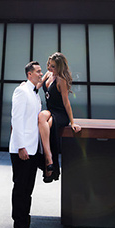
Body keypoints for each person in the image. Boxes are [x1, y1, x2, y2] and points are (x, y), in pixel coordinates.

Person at [9, 60, 46, 228]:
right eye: (38, 71)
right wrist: (21, 147)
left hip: (32, 150)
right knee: (21, 192)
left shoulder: (33, 92)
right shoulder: (21, 91)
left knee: (27, 193)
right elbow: (16, 119)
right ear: (29, 74)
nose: (41, 73)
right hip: (22, 151)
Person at [38, 52, 81, 182]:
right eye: (49, 65)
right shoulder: (48, 74)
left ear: (60, 67)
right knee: (41, 116)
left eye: (53, 67)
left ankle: (48, 162)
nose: (50, 68)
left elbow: (66, 102)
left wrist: (72, 122)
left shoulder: (61, 80)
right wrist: (25, 85)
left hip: (60, 113)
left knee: (47, 124)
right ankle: (48, 157)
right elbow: (37, 86)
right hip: (50, 110)